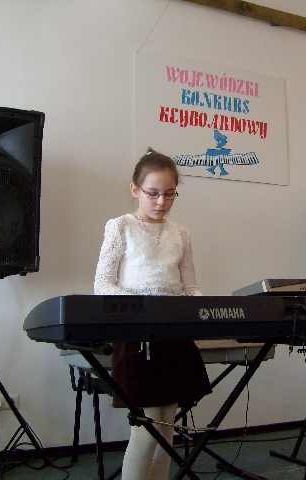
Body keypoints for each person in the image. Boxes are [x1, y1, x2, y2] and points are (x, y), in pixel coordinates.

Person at [93, 148, 211, 480]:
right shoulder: (120, 227)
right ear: (135, 189)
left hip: (173, 335)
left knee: (167, 426)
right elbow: (103, 284)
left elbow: (190, 286)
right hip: (136, 335)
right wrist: (145, 308)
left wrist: (203, 309)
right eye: (153, 193)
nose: (161, 202)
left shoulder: (181, 234)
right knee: (146, 429)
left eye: (170, 194)